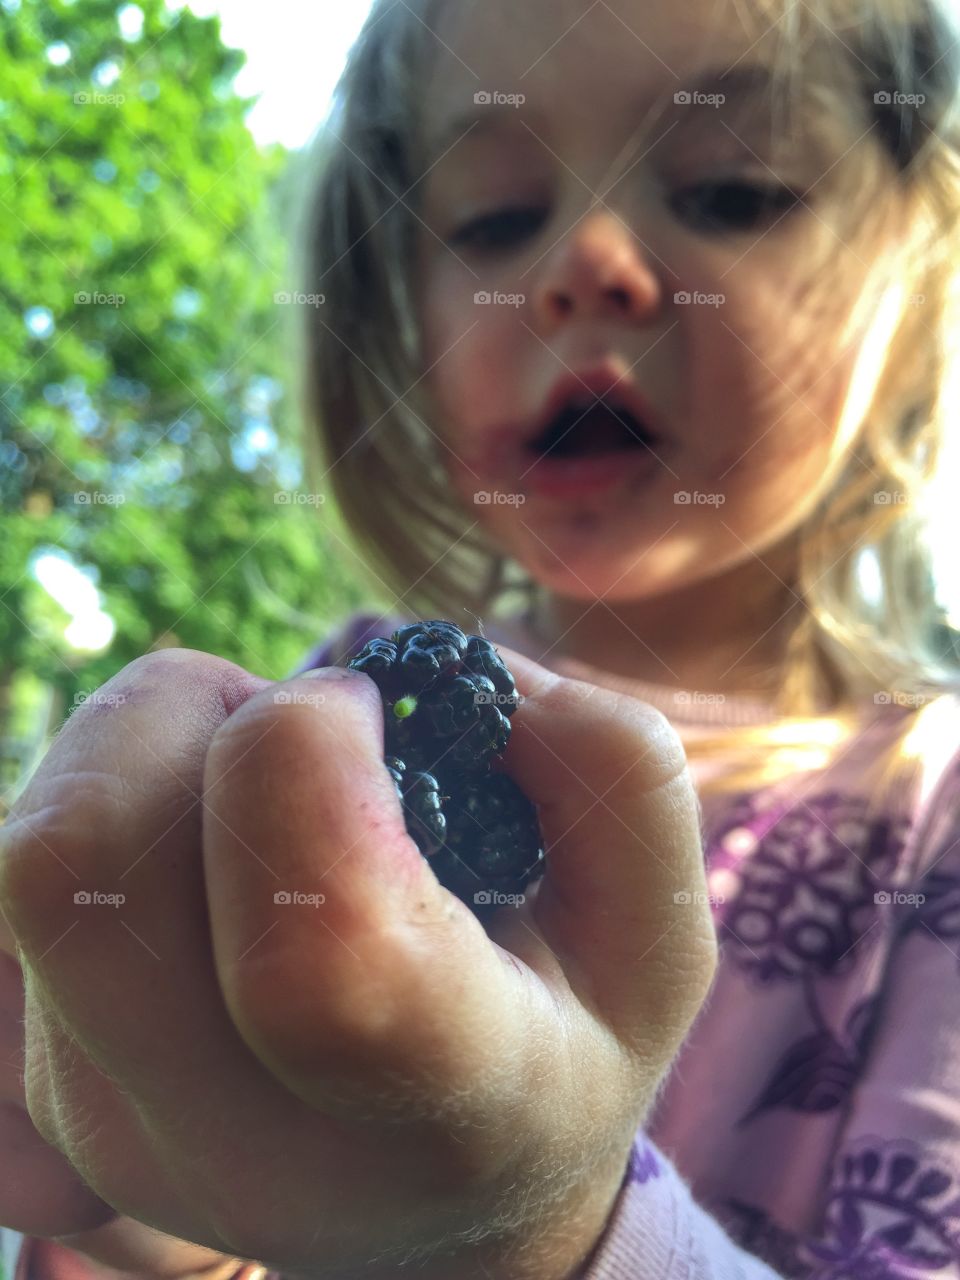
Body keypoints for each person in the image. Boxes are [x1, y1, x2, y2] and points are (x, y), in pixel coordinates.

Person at [4, 0, 960, 1275]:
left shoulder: (934, 827)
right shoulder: (320, 718)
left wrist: (537, 1226)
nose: (586, 260)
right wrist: (150, 1199)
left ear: (927, 269)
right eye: (499, 219)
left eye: (737, 189)